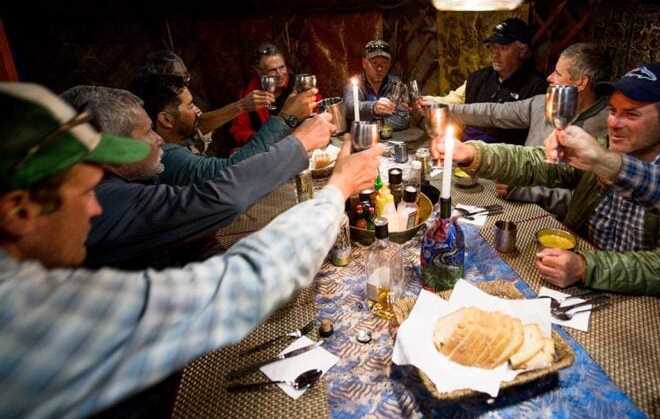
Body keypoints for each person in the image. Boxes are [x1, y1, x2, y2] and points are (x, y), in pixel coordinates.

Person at [0, 82, 382, 418]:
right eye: (85, 193)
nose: (96, 207)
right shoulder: (20, 319)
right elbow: (234, 288)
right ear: (18, 210)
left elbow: (171, 237)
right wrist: (337, 190)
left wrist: (208, 252)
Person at [432, 63, 660, 298]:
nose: (614, 123)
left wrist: (587, 267)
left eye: (631, 115)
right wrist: (472, 153)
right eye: (612, 111)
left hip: (645, 299)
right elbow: (543, 164)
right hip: (577, 261)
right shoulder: (607, 144)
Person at [61, 85, 335, 269]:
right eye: (146, 132)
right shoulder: (100, 201)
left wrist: (216, 261)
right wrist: (299, 143)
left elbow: (170, 232)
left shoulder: (125, 181)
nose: (158, 139)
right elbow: (216, 196)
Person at [446, 42, 613, 215]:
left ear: (581, 83)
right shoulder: (542, 103)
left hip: (552, 220)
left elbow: (584, 202)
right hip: (513, 199)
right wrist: (447, 111)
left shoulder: (607, 130)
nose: (549, 77)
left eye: (557, 73)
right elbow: (493, 113)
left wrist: (528, 192)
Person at [130, 74, 318, 185]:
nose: (197, 111)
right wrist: (285, 118)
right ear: (166, 119)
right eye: (189, 106)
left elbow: (201, 127)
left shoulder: (171, 141)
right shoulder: (164, 157)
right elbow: (229, 171)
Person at [419, 18, 547, 144]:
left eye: (503, 48)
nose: (495, 54)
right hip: (466, 151)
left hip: (503, 157)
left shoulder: (536, 87)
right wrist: (431, 102)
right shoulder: (478, 78)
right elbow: (455, 100)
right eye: (493, 47)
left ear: (522, 50)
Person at [140, 50, 267, 154]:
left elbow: (198, 125)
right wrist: (242, 105)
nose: (185, 83)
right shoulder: (150, 123)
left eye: (186, 76)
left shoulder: (181, 97)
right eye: (180, 77)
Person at [230, 43, 322, 147]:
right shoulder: (249, 93)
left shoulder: (299, 85)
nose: (280, 74)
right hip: (266, 151)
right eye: (273, 70)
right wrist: (264, 140)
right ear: (260, 72)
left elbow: (317, 116)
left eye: (282, 67)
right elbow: (238, 131)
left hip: (299, 145)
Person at [342, 39, 410, 131]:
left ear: (389, 64)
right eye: (374, 63)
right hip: (361, 138)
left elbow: (402, 119)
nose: (379, 68)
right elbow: (349, 109)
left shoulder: (396, 84)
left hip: (389, 138)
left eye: (384, 63)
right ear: (364, 63)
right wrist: (373, 107)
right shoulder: (354, 83)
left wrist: (374, 124)